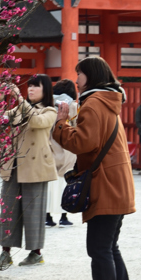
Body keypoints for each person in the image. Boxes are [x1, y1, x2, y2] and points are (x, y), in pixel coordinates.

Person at [53, 57, 135, 280]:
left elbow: (82, 143)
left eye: (79, 74)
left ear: (91, 75)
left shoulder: (94, 103)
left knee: (99, 250)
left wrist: (61, 124)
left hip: (105, 185)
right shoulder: (108, 100)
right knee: (109, 247)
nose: (76, 80)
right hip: (116, 184)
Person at [0, 74, 58, 269]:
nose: (30, 89)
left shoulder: (50, 110)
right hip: (14, 164)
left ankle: (35, 253)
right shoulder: (21, 109)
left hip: (36, 166)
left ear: (45, 90)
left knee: (34, 210)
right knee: (8, 209)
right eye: (29, 86)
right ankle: (5, 252)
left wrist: (20, 99)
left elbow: (37, 122)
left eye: (35, 86)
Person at [46, 79, 79, 228]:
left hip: (51, 146)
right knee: (66, 182)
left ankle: (48, 216)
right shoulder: (73, 106)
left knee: (50, 184)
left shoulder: (49, 105)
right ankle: (64, 216)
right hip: (67, 149)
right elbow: (77, 126)